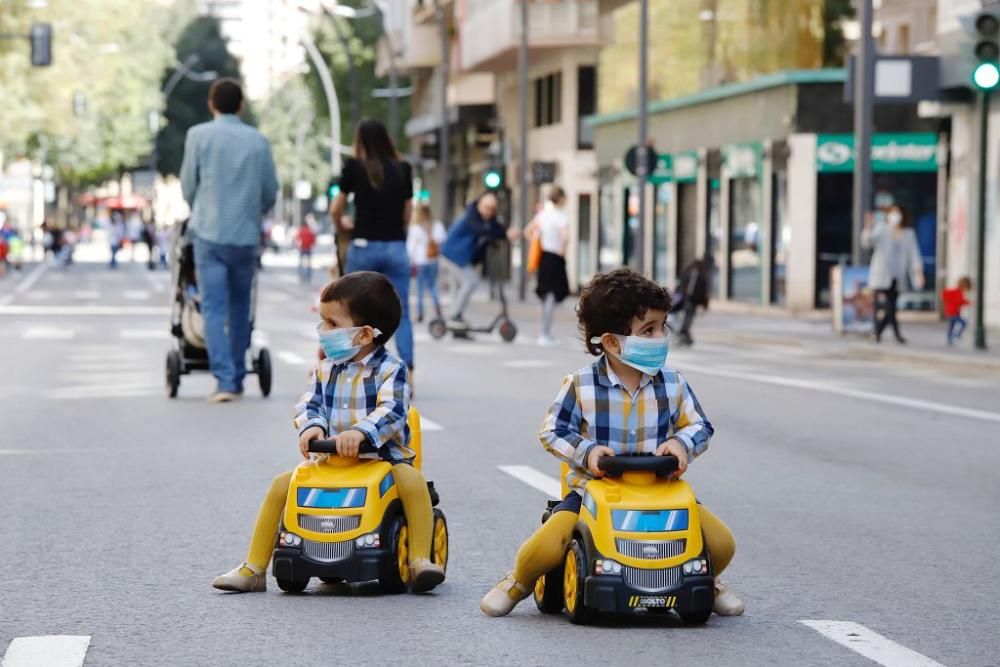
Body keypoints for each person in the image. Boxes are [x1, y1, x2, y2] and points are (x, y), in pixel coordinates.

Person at [479, 268, 743, 618]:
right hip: (595, 490)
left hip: (660, 489)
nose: (661, 336)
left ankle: (708, 579)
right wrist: (587, 453)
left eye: (663, 326)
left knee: (721, 541)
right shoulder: (582, 385)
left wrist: (681, 444)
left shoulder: (673, 383)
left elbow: (700, 425)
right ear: (611, 342)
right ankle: (518, 581)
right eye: (648, 330)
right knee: (552, 537)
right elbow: (551, 430)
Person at [212, 272, 445, 593]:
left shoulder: (392, 370)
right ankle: (254, 567)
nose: (323, 331)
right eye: (322, 322)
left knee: (413, 482)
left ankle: (419, 559)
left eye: (332, 325)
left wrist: (361, 433)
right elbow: (309, 404)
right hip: (330, 461)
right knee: (282, 485)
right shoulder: (324, 370)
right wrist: (312, 427)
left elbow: (392, 411)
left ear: (364, 335)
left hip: (383, 460)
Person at [180, 77, 279, 403]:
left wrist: (201, 207)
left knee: (212, 307)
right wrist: (253, 212)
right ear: (241, 105)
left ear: (211, 104)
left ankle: (224, 380)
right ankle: (237, 374)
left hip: (208, 233)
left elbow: (188, 186)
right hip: (245, 236)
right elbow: (269, 191)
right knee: (240, 308)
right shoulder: (259, 141)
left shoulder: (198, 136)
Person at [330, 119, 415, 372]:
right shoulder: (403, 168)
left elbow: (336, 207)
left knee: (352, 310)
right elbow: (408, 211)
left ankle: (353, 367)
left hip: (363, 246)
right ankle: (408, 371)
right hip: (395, 247)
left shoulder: (355, 167)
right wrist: (398, 230)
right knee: (403, 312)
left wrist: (341, 223)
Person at [440, 193, 517, 325]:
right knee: (471, 281)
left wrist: (505, 232)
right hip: (453, 256)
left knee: (460, 287)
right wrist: (504, 234)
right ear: (480, 204)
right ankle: (454, 315)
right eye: (487, 208)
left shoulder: (485, 217)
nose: (489, 212)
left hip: (459, 257)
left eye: (492, 209)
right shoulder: (472, 216)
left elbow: (495, 227)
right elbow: (483, 231)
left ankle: (456, 317)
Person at [863, 204, 924, 344]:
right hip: (881, 275)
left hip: (897, 277)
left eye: (898, 213)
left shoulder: (909, 233)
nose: (895, 216)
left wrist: (918, 273)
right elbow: (867, 242)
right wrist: (868, 227)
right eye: (893, 213)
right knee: (886, 307)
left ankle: (877, 332)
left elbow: (914, 255)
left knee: (891, 307)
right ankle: (895, 334)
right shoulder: (881, 229)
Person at [525, 186, 570, 346]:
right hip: (555, 257)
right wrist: (562, 248)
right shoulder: (561, 216)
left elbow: (528, 231)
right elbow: (565, 236)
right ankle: (546, 333)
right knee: (553, 294)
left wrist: (537, 240)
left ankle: (542, 333)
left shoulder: (543, 214)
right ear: (561, 199)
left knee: (544, 294)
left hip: (543, 256)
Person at [407, 203, 446, 323]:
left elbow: (410, 247)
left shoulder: (415, 227)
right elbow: (443, 239)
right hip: (433, 260)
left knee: (419, 288)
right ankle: (437, 309)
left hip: (420, 261)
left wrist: (410, 261)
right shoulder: (437, 225)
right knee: (433, 285)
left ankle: (420, 314)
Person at [673, 254, 713, 346]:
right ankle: (683, 333)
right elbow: (696, 288)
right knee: (688, 316)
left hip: (687, 297)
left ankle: (684, 334)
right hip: (690, 298)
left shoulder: (694, 268)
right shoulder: (698, 271)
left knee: (687, 316)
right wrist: (704, 303)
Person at [942, 276, 973, 346]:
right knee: (963, 323)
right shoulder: (957, 292)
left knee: (951, 326)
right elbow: (959, 301)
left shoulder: (958, 291)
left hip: (952, 312)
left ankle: (950, 339)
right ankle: (956, 335)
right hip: (952, 312)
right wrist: (968, 302)